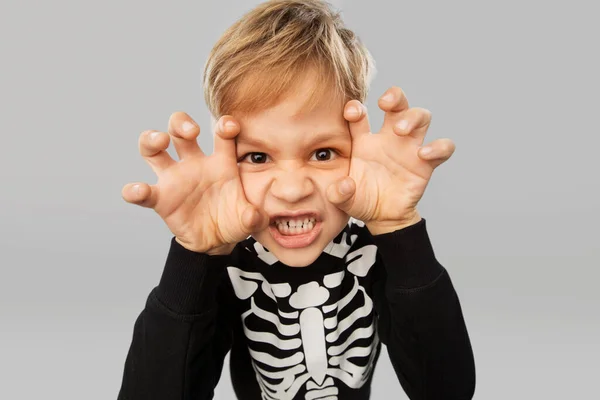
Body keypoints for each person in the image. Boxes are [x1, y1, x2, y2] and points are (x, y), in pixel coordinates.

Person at [117, 0, 476, 399]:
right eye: (257, 157)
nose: (292, 189)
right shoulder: (230, 266)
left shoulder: (374, 255)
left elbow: (449, 390)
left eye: (323, 154)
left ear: (358, 150)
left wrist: (398, 228)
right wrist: (194, 257)